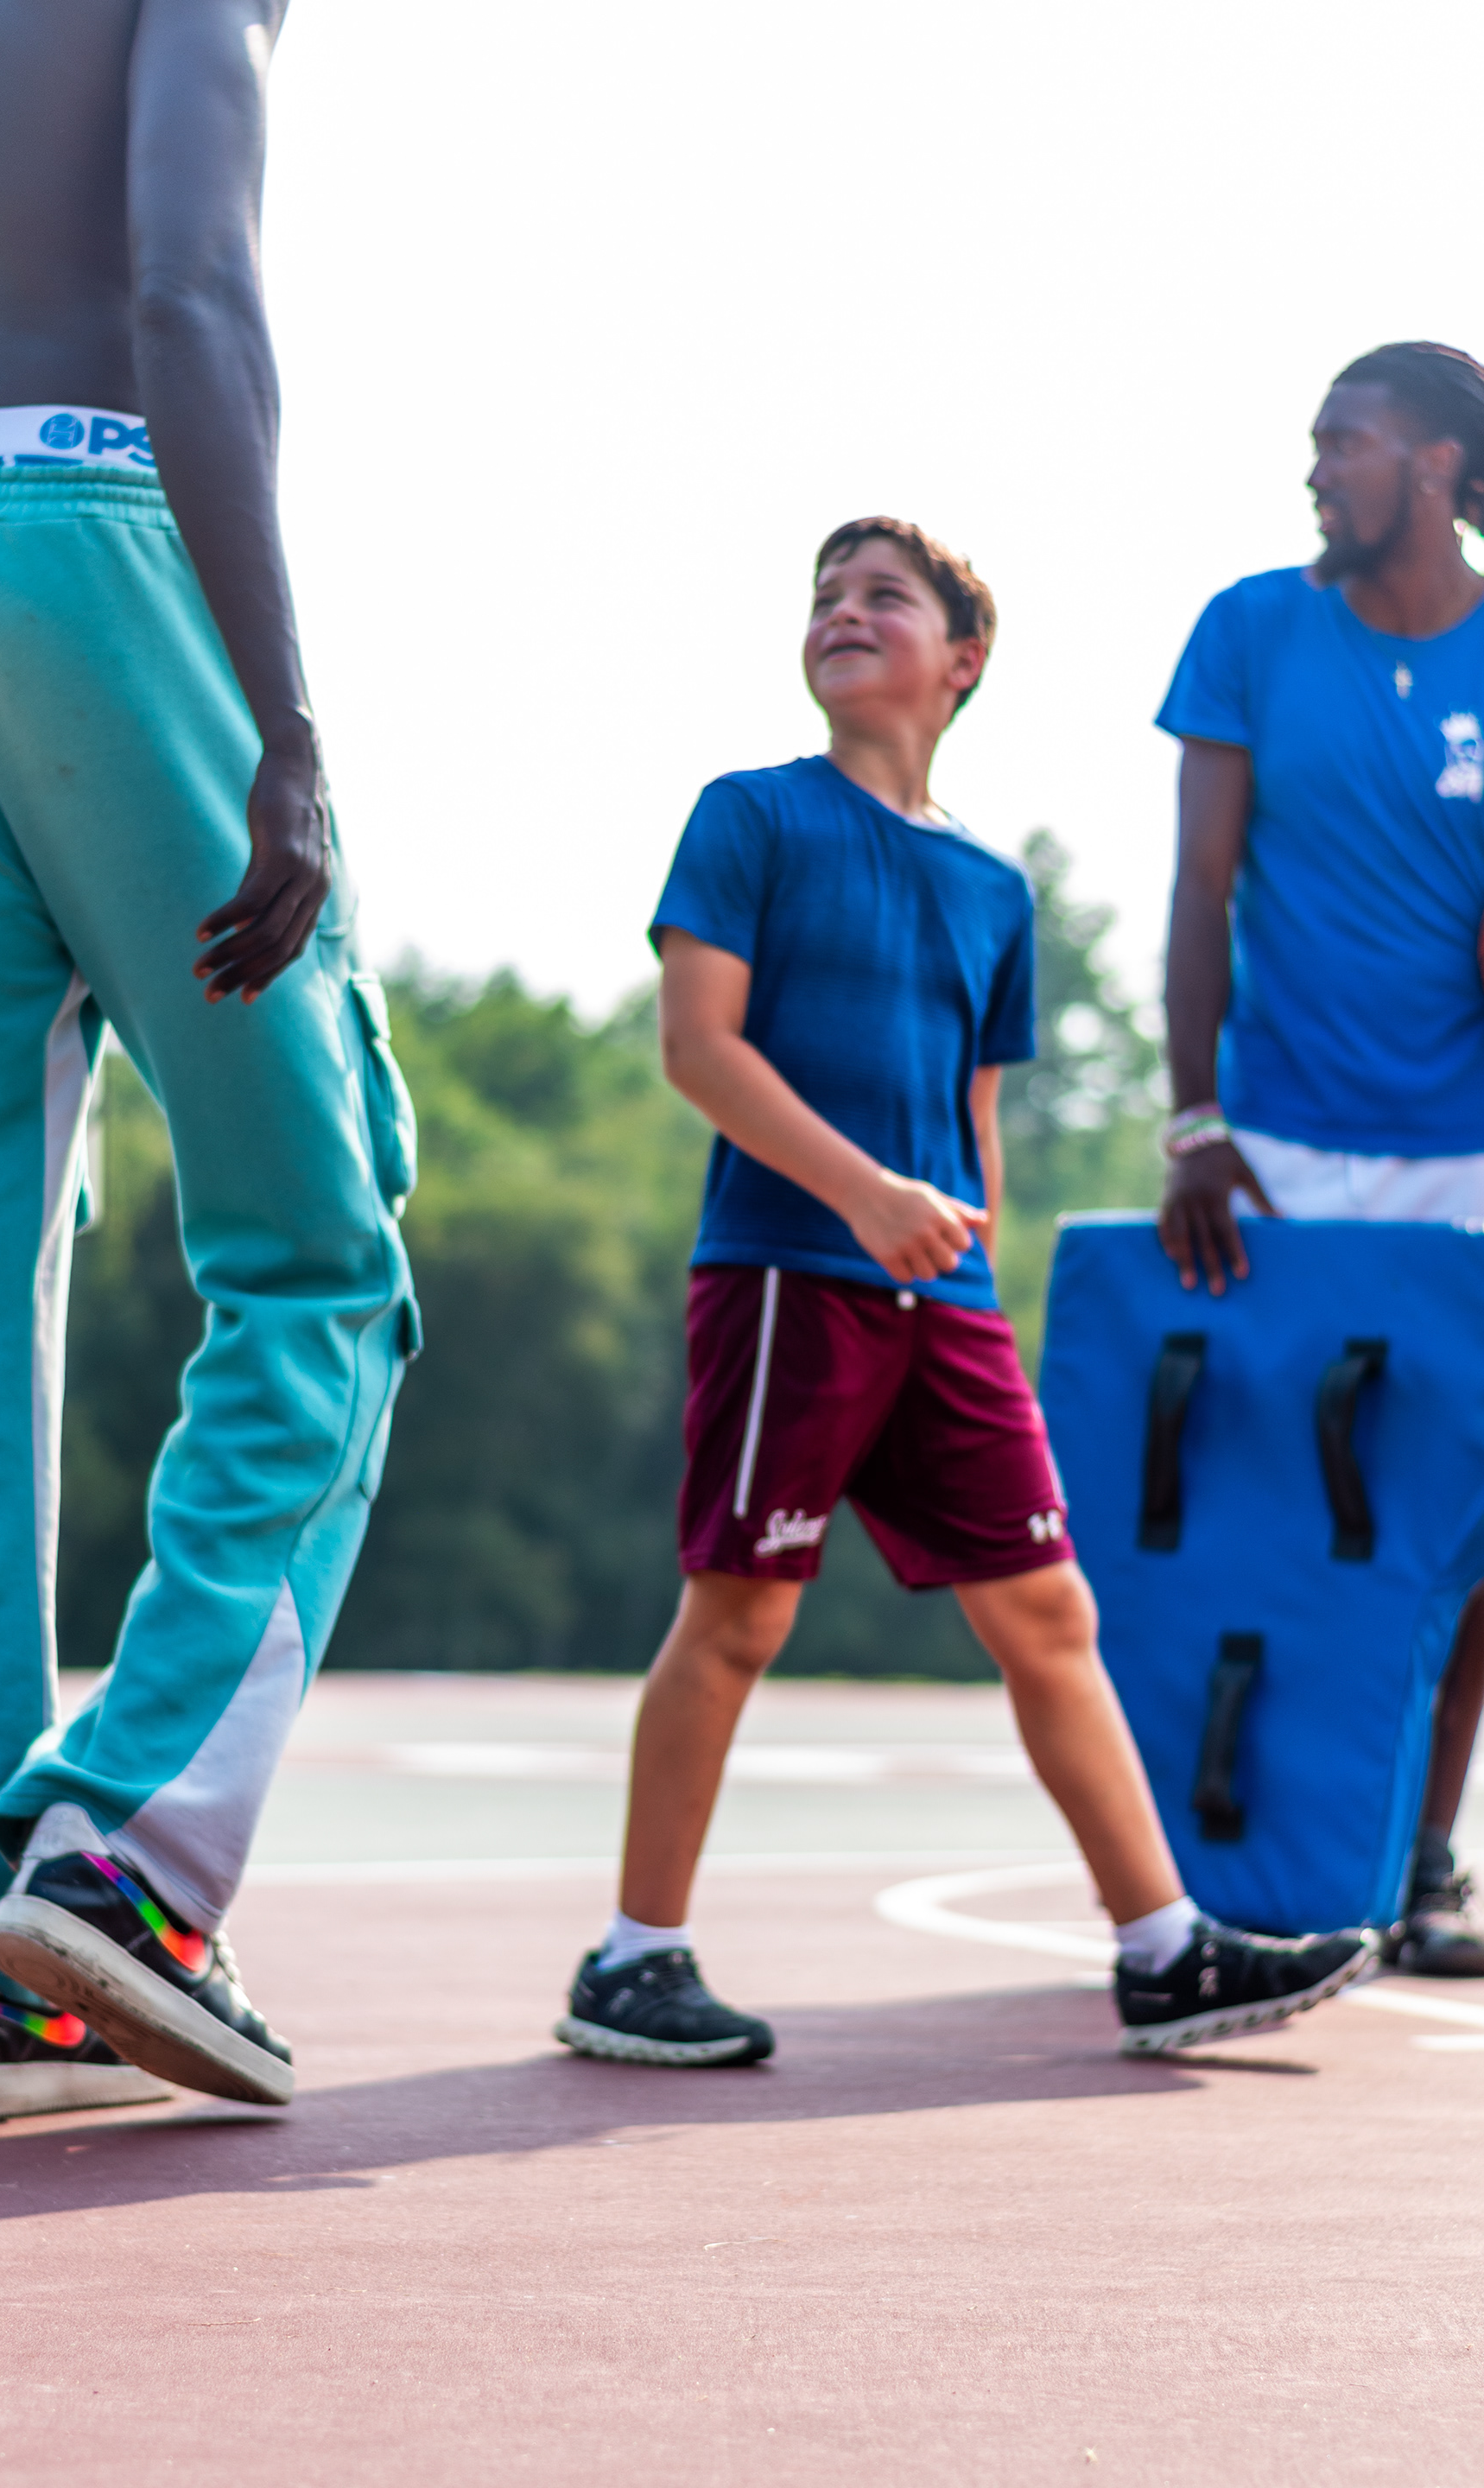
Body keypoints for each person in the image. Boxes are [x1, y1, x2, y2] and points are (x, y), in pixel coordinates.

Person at [554, 516, 1373, 2066]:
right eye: (825, 596)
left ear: (963, 659)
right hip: (791, 1277)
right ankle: (632, 1962)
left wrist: (970, 1271)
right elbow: (696, 1049)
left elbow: (976, 1118)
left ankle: (1165, 1951)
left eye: (885, 596)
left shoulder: (996, 889)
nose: (843, 613)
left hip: (947, 1307)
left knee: (1051, 1611)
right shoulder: (749, 816)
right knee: (740, 1612)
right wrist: (865, 1197)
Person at [0, 0, 417, 2119]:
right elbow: (187, 292)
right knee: (321, 1249)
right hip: (95, 520)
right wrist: (289, 729)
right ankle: (129, 1855)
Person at [1158, 341, 1484, 1977]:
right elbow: (1199, 886)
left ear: (1436, 466)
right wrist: (1194, 1122)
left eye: (1345, 441)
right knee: (1274, 1511)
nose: (1315, 468)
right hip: (1272, 1148)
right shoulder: (1251, 629)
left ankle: (1424, 1862)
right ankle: (1249, 1857)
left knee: (1460, 1531)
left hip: (1464, 1159)